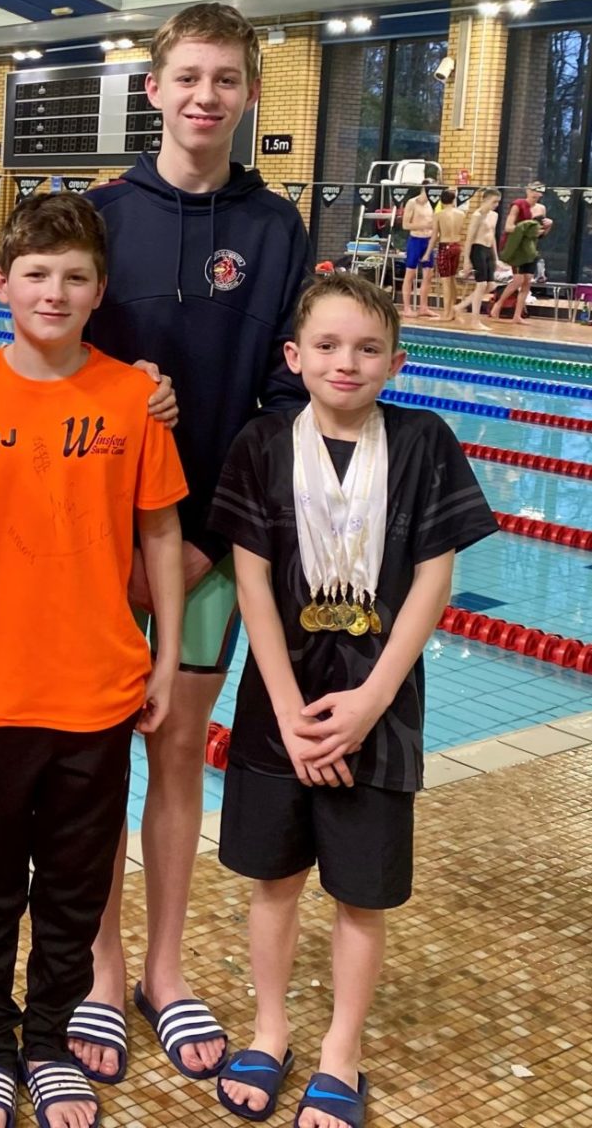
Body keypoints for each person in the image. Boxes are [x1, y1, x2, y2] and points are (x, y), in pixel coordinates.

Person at [76, 1, 309, 1086]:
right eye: (187, 77)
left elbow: (278, 391)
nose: (204, 96)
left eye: (225, 79)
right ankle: (96, 966)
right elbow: (56, 360)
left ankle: (163, 971)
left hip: (208, 542)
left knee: (173, 754)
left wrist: (209, 532)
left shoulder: (273, 229)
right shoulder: (99, 213)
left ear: (247, 95)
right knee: (88, 766)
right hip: (91, 545)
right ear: (154, 88)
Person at [209, 273, 495, 1127]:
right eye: (327, 346)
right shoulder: (262, 442)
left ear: (396, 362)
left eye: (367, 348)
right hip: (277, 709)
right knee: (273, 883)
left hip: (380, 709)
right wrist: (290, 706)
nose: (346, 362)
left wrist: (371, 699)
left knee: (361, 893)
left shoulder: (422, 441)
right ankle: (269, 1030)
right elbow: (251, 582)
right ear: (293, 357)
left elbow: (434, 579)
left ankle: (342, 1051)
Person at [0, 193, 186, 1128]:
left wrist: (164, 661)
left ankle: (47, 1045)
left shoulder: (131, 396)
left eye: (74, 277)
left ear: (99, 291)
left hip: (98, 687)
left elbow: (159, 533)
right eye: (35, 274)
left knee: (77, 888)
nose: (54, 291)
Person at [491, 201, 549, 323]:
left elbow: (542, 235)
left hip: (530, 256)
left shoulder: (534, 230)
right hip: (518, 256)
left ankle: (517, 316)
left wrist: (550, 225)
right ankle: (498, 304)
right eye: (538, 229)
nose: (539, 231)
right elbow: (509, 231)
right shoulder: (523, 228)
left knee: (527, 283)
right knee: (518, 280)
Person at [453, 188, 501, 320]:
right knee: (481, 285)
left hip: (488, 250)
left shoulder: (494, 215)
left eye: (498, 202)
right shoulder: (477, 216)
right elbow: (469, 239)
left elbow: (493, 237)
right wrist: (466, 260)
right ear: (485, 200)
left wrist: (496, 258)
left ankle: (459, 307)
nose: (496, 205)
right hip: (477, 249)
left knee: (491, 285)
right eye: (494, 202)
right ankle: (475, 320)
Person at [424, 189, 465, 322]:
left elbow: (435, 235)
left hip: (445, 247)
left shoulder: (439, 215)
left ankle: (447, 314)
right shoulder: (461, 214)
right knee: (452, 280)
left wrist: (427, 253)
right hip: (457, 247)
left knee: (446, 282)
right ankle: (454, 312)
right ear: (453, 200)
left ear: (441, 201)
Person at [396, 186, 435, 317]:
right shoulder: (412, 203)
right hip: (415, 240)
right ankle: (407, 308)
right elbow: (405, 225)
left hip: (428, 241)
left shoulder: (433, 203)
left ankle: (423, 307)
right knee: (410, 274)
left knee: (428, 275)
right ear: (423, 189)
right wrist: (425, 225)